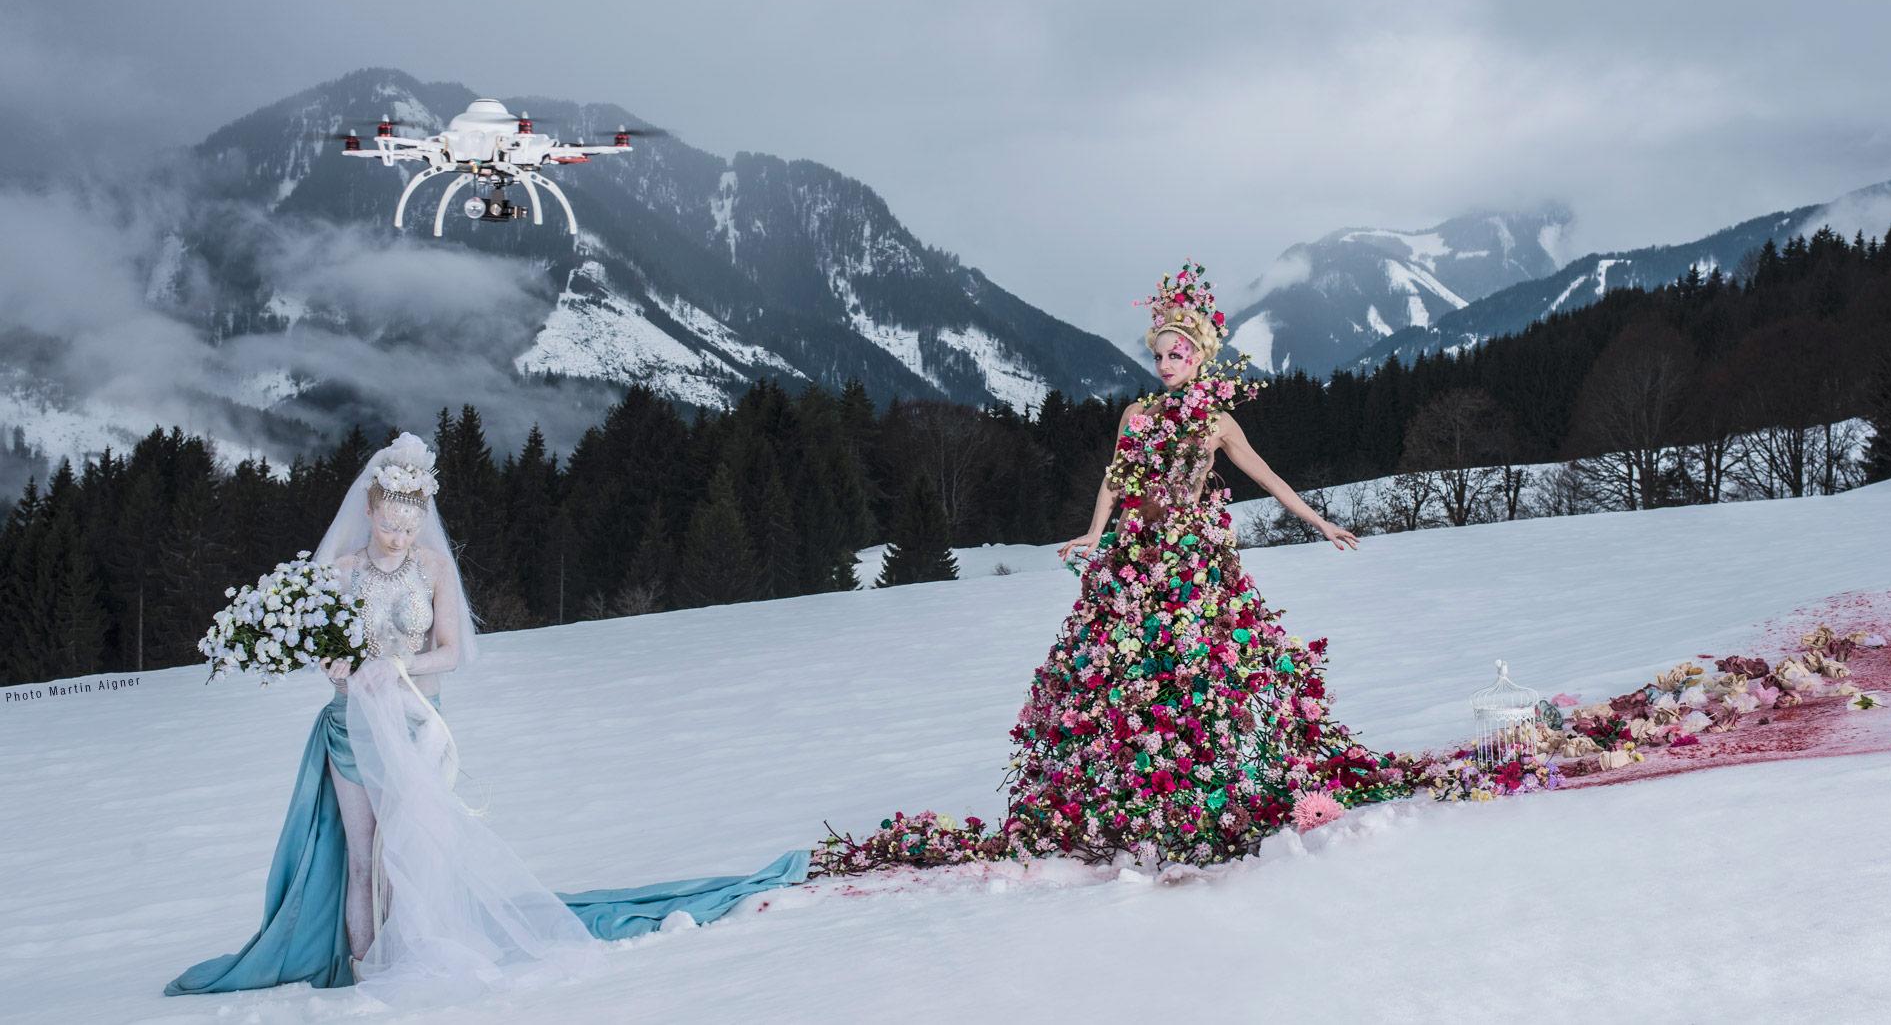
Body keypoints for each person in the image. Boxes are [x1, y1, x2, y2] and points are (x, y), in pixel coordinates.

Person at [814, 262, 1414, 874]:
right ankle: (1129, 791)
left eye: (1179, 353)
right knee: (1126, 668)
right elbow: (1116, 478)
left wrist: (1320, 522)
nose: (1167, 363)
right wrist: (1096, 533)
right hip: (1132, 556)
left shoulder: (1216, 421)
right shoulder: (1137, 415)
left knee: (1201, 666)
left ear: (1200, 357)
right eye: (1161, 354)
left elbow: (1267, 477)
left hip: (1193, 561)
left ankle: (1206, 789)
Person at [166, 433, 806, 1006]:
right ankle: (364, 972)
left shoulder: (434, 568)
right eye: (390, 525)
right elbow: (321, 648)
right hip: (350, 726)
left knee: (409, 852)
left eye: (410, 527)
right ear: (370, 511)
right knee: (362, 857)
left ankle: (410, 953)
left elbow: (453, 650)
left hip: (416, 723)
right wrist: (336, 667)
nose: (399, 537)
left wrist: (400, 668)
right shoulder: (341, 572)